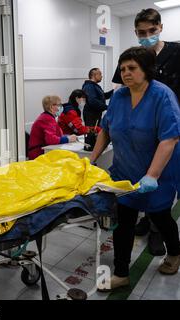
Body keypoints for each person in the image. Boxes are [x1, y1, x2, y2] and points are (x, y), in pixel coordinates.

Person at [91, 47, 180, 290]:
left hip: (158, 175)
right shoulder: (119, 97)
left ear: (146, 70)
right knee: (124, 224)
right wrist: (91, 159)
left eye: (132, 68)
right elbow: (106, 130)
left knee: (161, 219)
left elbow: (169, 139)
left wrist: (151, 176)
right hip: (124, 174)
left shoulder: (162, 96)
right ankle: (121, 274)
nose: (126, 73)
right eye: (122, 69)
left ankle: (174, 255)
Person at [112, 8, 180, 255]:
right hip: (136, 137)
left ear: (160, 27)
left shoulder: (175, 55)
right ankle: (145, 221)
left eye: (152, 30)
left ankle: (157, 232)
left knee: (158, 194)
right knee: (133, 195)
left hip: (167, 133)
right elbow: (120, 93)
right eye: (142, 33)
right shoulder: (132, 60)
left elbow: (169, 136)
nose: (147, 36)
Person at [28, 95, 77, 160]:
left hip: (42, 151)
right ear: (51, 107)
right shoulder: (47, 119)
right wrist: (68, 139)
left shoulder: (48, 117)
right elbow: (51, 140)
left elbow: (56, 135)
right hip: (39, 154)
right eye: (59, 105)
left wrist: (67, 137)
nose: (61, 107)